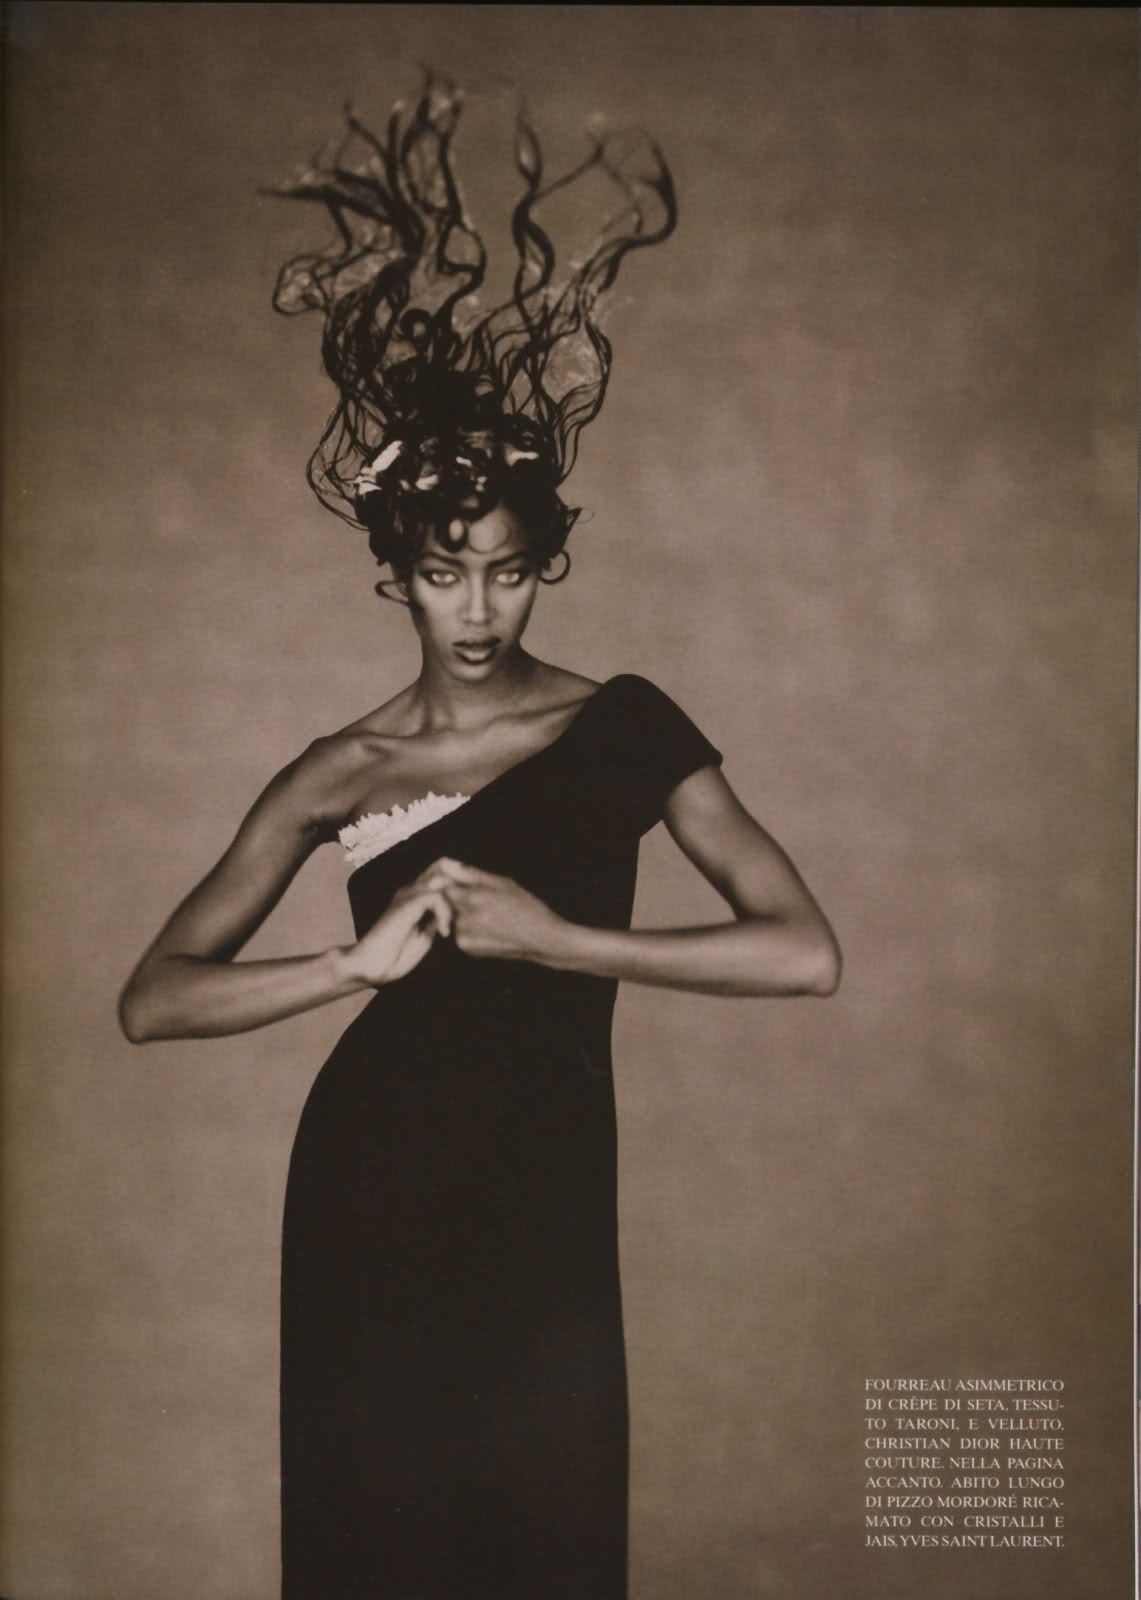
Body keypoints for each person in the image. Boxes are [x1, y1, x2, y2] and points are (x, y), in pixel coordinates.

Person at [119, 74, 841, 1600]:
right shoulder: (341, 768)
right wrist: (346, 968)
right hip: (370, 1185)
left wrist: (559, 938)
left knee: (547, 1537)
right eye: (444, 573)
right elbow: (152, 999)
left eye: (507, 572)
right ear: (396, 571)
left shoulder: (621, 724)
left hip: (547, 1184)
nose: (477, 609)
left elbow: (802, 954)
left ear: (541, 567)